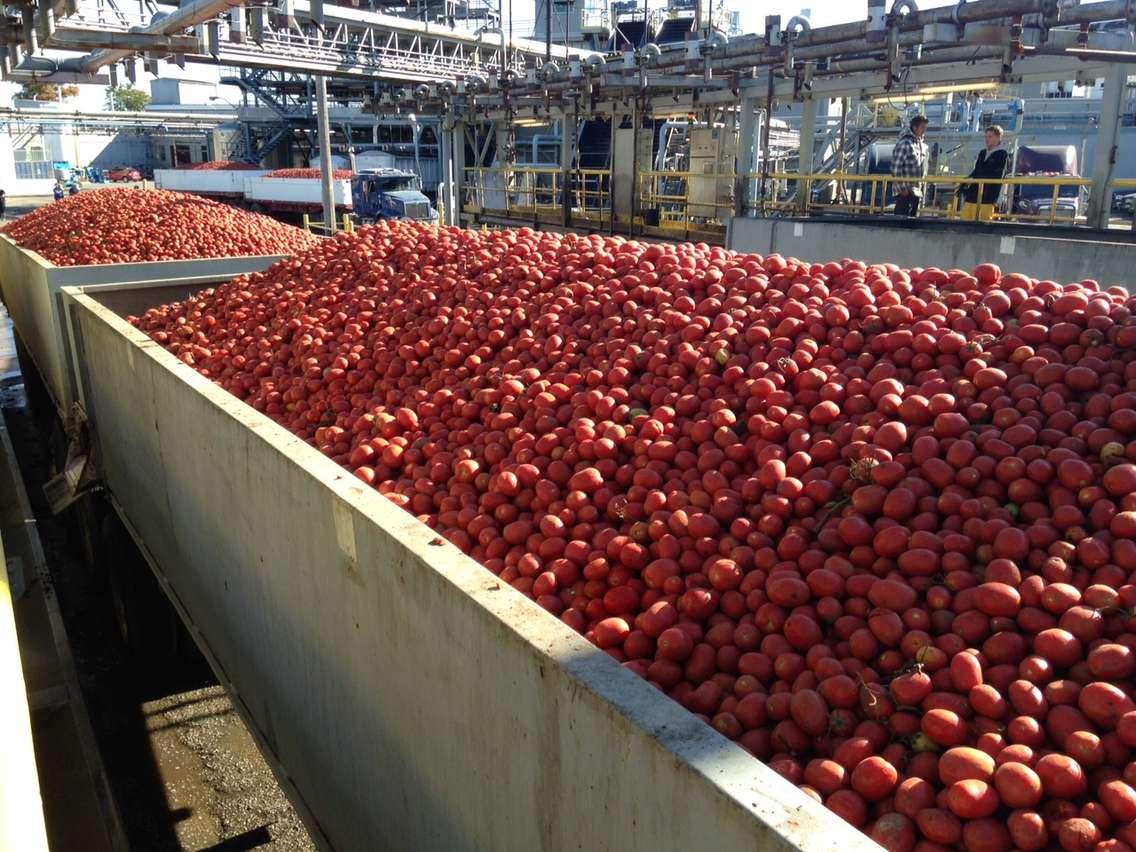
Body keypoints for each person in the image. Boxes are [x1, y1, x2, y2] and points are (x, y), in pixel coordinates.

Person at [960, 125, 1009, 222]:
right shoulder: (982, 153)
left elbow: (997, 174)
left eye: (990, 136)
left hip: (988, 195)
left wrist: (975, 178)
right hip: (973, 193)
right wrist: (967, 180)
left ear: (998, 137)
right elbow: (977, 170)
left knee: (983, 222)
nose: (987, 139)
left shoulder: (1002, 154)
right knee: (965, 220)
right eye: (986, 136)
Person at [891, 115, 930, 218]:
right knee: (901, 222)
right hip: (906, 192)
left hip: (916, 192)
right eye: (922, 128)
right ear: (914, 127)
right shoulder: (905, 143)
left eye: (925, 128)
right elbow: (896, 167)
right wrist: (903, 189)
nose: (924, 131)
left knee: (911, 222)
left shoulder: (922, 146)